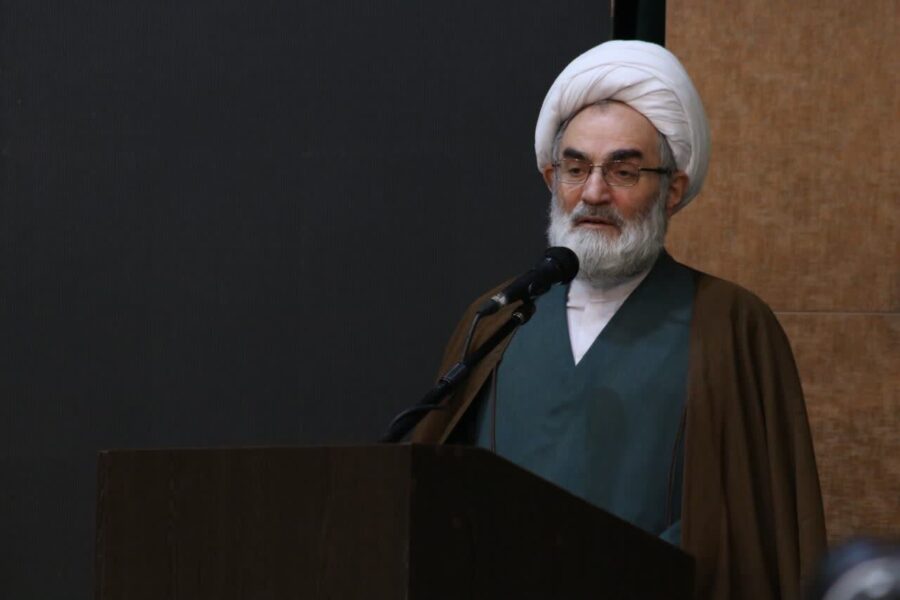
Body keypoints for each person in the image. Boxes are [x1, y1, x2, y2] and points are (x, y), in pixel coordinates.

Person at [410, 40, 826, 599]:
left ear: (672, 190)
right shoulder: (498, 319)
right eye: (575, 168)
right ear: (550, 178)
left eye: (624, 172)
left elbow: (757, 533)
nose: (594, 193)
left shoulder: (731, 324)